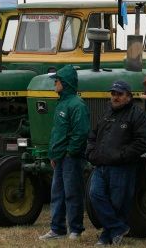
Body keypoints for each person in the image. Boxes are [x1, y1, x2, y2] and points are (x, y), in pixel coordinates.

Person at [86, 80, 146, 246]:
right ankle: (118, 228)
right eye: (113, 93)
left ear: (128, 97)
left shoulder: (138, 115)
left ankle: (106, 236)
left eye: (119, 94)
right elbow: (93, 136)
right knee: (95, 195)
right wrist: (91, 152)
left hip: (122, 167)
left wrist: (122, 156)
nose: (115, 97)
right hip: (101, 165)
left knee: (117, 203)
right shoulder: (106, 113)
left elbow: (143, 142)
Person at [39, 64, 90, 241]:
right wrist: (54, 155)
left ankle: (75, 229)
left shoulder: (77, 105)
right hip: (60, 158)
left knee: (72, 192)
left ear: (65, 83)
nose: (55, 84)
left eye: (57, 81)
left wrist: (70, 152)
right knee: (57, 194)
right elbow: (57, 132)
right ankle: (57, 229)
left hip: (71, 158)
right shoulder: (62, 103)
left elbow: (81, 132)